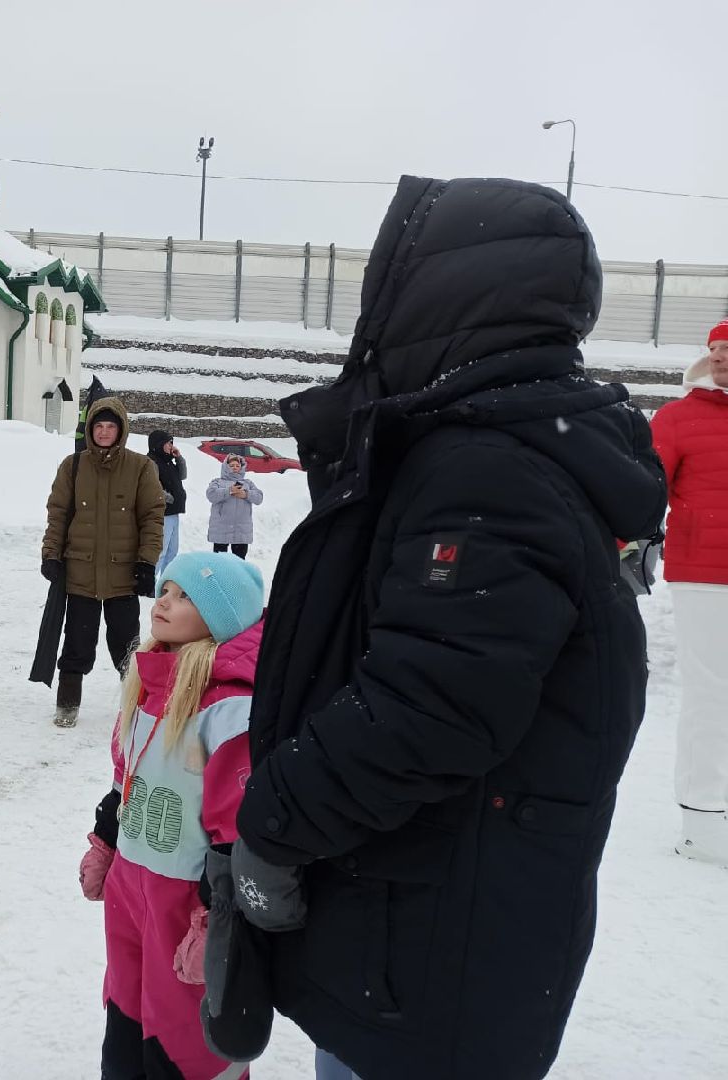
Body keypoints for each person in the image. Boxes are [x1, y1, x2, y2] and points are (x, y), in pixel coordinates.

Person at [220, 177, 665, 1080]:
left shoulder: (486, 472)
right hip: (430, 929)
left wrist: (273, 820)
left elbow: (430, 706)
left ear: (444, 292)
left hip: (427, 949)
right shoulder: (498, 449)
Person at [78, 552, 264, 1080]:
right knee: (126, 1010)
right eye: (166, 589)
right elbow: (126, 779)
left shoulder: (228, 709)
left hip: (187, 899)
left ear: (220, 618)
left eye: (186, 597)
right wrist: (106, 843)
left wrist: (216, 917)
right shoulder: (148, 684)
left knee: (184, 1036)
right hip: (131, 886)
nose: (164, 602)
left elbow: (236, 826)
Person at [650, 319, 728, 866]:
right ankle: (705, 823)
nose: (721, 357)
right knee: (712, 694)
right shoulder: (677, 418)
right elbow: (643, 489)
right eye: (716, 350)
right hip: (707, 574)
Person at [42, 398, 165, 728]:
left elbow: (153, 518)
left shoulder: (141, 468)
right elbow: (58, 515)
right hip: (80, 572)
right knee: (77, 643)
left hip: (123, 575)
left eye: (111, 426)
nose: (105, 432)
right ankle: (67, 704)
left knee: (127, 647)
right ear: (91, 429)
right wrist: (51, 554)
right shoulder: (73, 466)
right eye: (99, 426)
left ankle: (139, 707)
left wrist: (146, 563)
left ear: (121, 430)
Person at [205, 455, 262, 559]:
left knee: (239, 563)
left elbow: (259, 498)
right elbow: (211, 495)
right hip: (221, 530)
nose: (235, 467)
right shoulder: (217, 482)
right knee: (220, 562)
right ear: (226, 467)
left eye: (237, 465)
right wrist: (229, 491)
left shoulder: (248, 483)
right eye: (231, 465)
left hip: (241, 530)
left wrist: (246, 494)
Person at [148, 431, 187, 578]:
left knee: (172, 551)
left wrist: (179, 458)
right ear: (159, 444)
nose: (172, 446)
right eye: (168, 443)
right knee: (161, 551)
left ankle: (166, 581)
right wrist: (168, 498)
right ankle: (151, 582)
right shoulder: (152, 461)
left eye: (172, 442)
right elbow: (152, 486)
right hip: (162, 513)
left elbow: (182, 475)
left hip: (173, 512)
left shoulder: (167, 460)